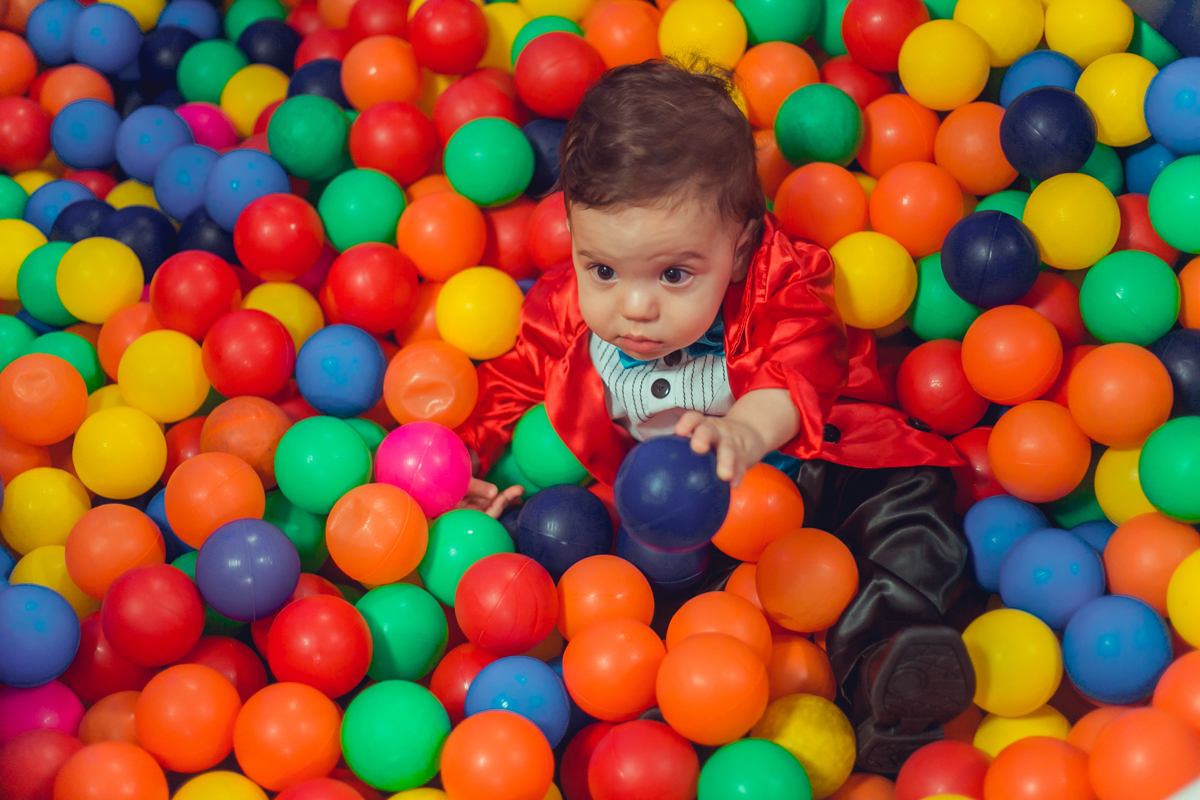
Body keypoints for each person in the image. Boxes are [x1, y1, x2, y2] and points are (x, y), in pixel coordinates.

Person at [455, 59, 973, 774]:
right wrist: (468, 456)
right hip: (667, 522)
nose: (635, 307)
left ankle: (890, 662)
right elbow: (511, 377)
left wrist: (747, 431)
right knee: (612, 576)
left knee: (908, 505)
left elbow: (806, 361)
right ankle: (681, 719)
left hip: (810, 472)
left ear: (738, 249)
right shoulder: (561, 308)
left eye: (673, 274)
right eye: (602, 270)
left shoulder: (776, 279)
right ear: (573, 236)